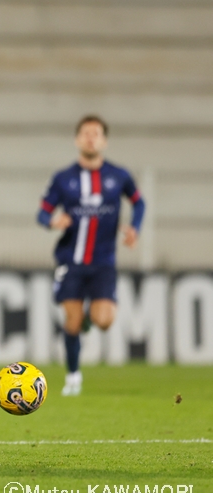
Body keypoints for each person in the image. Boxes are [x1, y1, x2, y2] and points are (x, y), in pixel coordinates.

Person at [37, 115, 145, 396]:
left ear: (104, 140)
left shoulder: (118, 176)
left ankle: (89, 316)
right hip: (71, 261)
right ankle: (73, 377)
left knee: (104, 321)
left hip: (103, 262)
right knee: (71, 321)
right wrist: (52, 221)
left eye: (96, 133)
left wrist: (135, 227)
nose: (90, 137)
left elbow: (139, 201)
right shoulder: (64, 179)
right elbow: (42, 212)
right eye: (86, 133)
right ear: (77, 139)